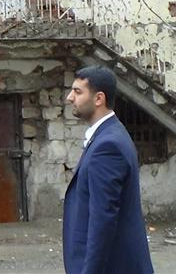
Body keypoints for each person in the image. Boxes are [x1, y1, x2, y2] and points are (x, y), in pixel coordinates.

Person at [62, 66, 153, 274]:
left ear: (98, 99)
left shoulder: (108, 145)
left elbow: (102, 220)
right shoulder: (110, 134)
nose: (70, 97)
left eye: (77, 92)